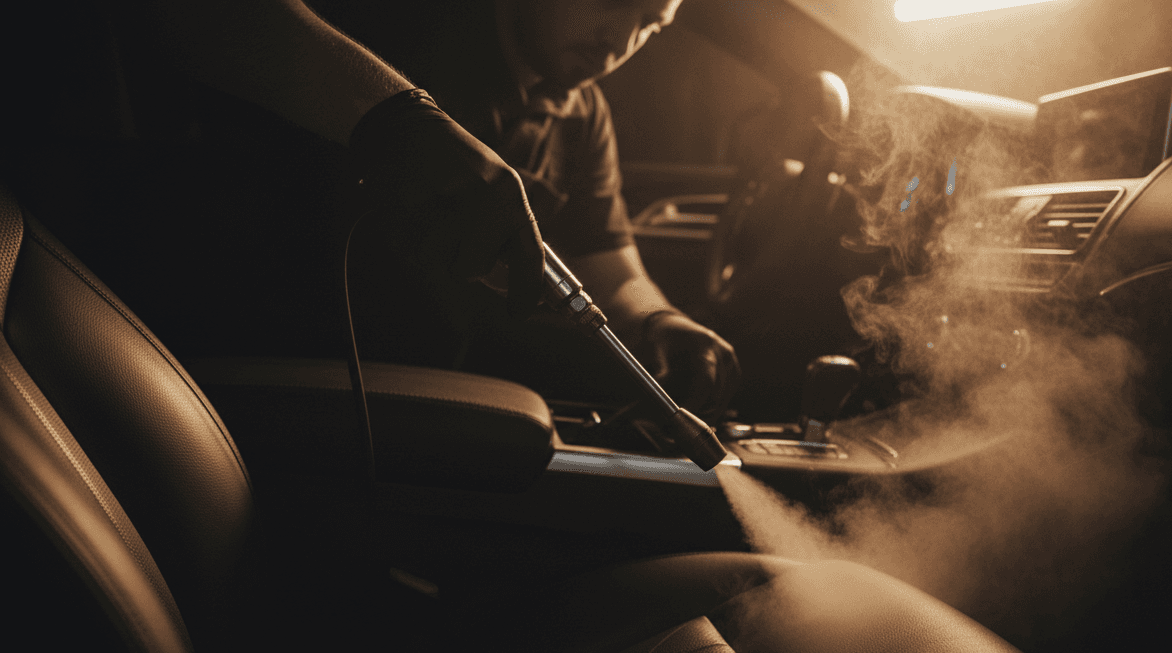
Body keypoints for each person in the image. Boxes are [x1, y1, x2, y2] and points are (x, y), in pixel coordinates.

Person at [38, 0, 740, 421]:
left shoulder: (584, 117)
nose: (621, 40)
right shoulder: (395, 27)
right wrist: (397, 121)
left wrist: (662, 322)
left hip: (423, 409)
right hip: (266, 400)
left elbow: (611, 270)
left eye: (652, 23)